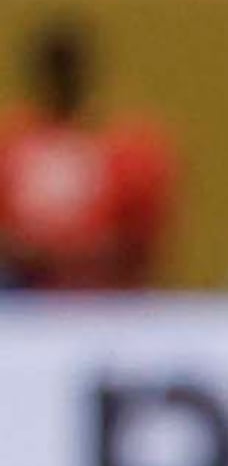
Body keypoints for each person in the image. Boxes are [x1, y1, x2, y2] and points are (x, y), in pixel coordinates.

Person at [0, 19, 178, 290]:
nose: (59, 83)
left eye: (67, 72)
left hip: (103, 300)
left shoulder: (127, 153)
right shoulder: (11, 149)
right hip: (23, 302)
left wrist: (71, 253)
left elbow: (141, 245)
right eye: (53, 73)